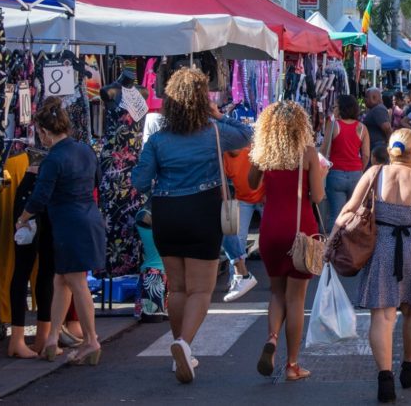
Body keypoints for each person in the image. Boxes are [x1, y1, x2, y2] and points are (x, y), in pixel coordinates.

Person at [131, 68, 253, 384]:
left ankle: (180, 350)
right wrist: (216, 114)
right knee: (201, 289)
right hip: (202, 210)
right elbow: (245, 134)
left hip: (167, 212)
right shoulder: (214, 130)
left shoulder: (158, 139)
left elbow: (140, 181)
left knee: (179, 287)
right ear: (202, 101)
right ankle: (183, 344)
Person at [333, 129, 411, 403]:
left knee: (382, 316)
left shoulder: (375, 174)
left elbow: (349, 211)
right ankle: (410, 370)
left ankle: (385, 379)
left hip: (381, 249)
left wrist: (330, 242)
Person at [15, 97, 106, 367]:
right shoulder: (85, 150)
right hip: (89, 218)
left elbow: (40, 197)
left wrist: (22, 218)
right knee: (60, 280)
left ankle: (91, 340)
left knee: (76, 282)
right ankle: (53, 336)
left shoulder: (53, 159)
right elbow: (97, 181)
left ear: (44, 131)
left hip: (68, 223)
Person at [251, 102, 325, 383]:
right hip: (300, 228)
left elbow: (251, 184)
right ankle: (292, 364)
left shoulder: (263, 153)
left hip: (271, 228)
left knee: (276, 293)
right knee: (297, 299)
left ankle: (272, 337)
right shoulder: (307, 153)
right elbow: (317, 197)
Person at [8, 161, 56, 359]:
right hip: (32, 188)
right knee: (24, 268)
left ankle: (42, 337)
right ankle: (17, 339)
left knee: (47, 270)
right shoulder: (49, 137)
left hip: (50, 191)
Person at [220, 145, 265, 303]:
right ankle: (236, 278)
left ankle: (279, 278)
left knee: (270, 240)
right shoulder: (225, 154)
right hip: (242, 200)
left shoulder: (253, 148)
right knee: (237, 238)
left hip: (263, 198)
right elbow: (223, 181)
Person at [323, 95, 370, 228]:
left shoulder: (333, 125)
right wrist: (360, 169)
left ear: (342, 108)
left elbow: (324, 149)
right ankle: (350, 245)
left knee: (336, 215)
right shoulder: (362, 128)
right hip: (356, 174)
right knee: (354, 215)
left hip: (335, 174)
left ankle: (333, 246)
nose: (334, 109)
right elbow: (366, 155)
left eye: (335, 107)